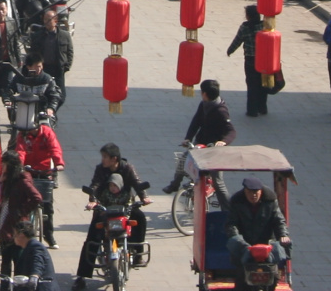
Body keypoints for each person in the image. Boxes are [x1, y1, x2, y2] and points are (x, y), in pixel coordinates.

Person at [75, 146, 148, 287]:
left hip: (124, 206)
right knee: (92, 238)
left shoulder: (127, 168)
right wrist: (93, 200)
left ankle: (138, 254)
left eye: (105, 157)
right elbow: (95, 185)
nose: (102, 160)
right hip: (105, 207)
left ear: (114, 159)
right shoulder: (100, 169)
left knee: (140, 218)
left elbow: (137, 183)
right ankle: (81, 276)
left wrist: (144, 197)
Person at [166, 78, 236, 193]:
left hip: (213, 148)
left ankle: (227, 208)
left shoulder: (221, 111)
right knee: (183, 161)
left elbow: (231, 131)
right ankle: (174, 185)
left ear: (205, 94)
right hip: (200, 143)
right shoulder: (204, 104)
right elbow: (196, 121)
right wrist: (188, 138)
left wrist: (224, 141)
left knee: (218, 182)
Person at [14, 116, 64, 246]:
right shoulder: (23, 135)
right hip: (28, 171)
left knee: (47, 205)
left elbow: (55, 148)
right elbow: (20, 151)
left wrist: (59, 163)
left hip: (44, 171)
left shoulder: (47, 133)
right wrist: (20, 166)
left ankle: (49, 235)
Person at [225, 176, 290, 277]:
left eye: (256, 192)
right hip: (245, 244)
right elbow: (231, 224)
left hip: (266, 244)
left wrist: (283, 235)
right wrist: (238, 239)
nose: (253, 195)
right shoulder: (237, 201)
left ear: (261, 191)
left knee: (273, 273)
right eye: (250, 192)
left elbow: (278, 220)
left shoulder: (270, 200)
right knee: (241, 276)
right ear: (245, 191)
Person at [0, 152, 45, 275]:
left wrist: (22, 211)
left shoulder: (22, 181)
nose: (2, 166)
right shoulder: (8, 179)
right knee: (5, 261)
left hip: (15, 225)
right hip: (5, 221)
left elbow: (37, 197)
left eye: (5, 164)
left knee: (18, 261)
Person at [227, 5, 270, 116]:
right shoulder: (264, 25)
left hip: (250, 60)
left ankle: (252, 110)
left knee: (252, 85)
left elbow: (237, 41)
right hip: (264, 59)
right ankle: (262, 108)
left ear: (247, 16)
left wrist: (230, 51)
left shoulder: (245, 27)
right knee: (263, 83)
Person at [26, 5, 74, 100]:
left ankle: (52, 110)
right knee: (44, 94)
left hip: (58, 69)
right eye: (45, 20)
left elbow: (70, 52)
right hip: (44, 69)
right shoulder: (37, 35)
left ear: (55, 21)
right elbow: (32, 53)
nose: (46, 22)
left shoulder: (64, 35)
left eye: (49, 19)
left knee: (61, 96)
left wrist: (67, 66)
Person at [9, 220, 55, 287]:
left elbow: (38, 262)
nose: (13, 237)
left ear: (21, 235)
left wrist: (34, 275)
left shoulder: (36, 246)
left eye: (15, 235)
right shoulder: (28, 246)